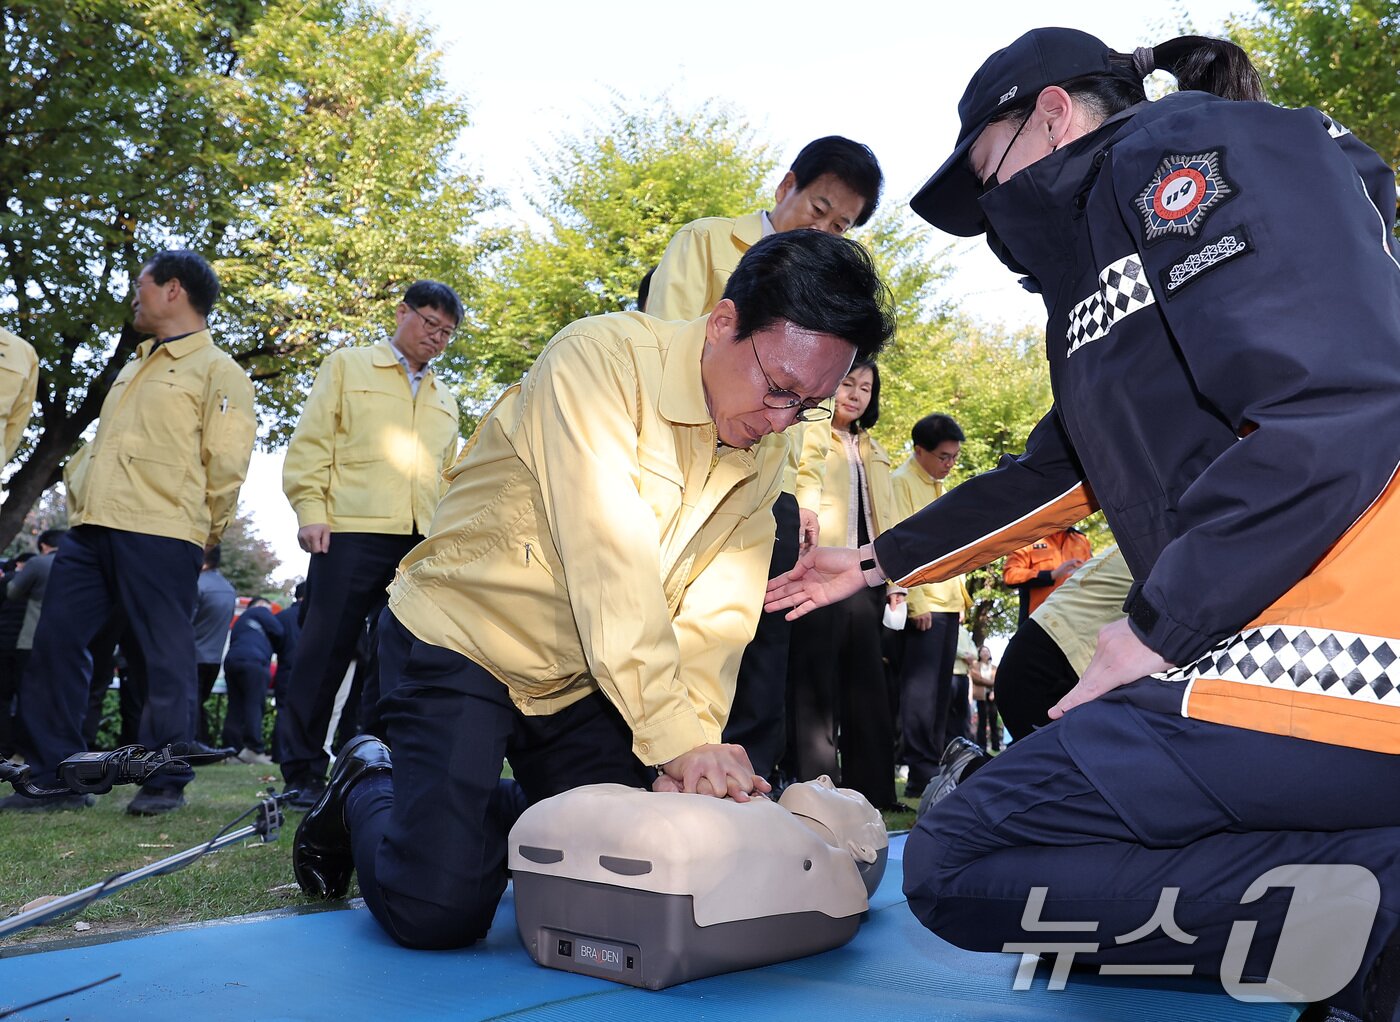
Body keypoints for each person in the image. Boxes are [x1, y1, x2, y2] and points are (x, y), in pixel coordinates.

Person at [765, 28, 1400, 1018]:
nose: (994, 222)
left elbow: (1338, 403)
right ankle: (1352, 919)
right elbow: (1056, 472)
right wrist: (873, 559)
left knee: (957, 858)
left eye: (990, 174)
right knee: (1046, 880)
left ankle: (1374, 922)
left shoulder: (1185, 155)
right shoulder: (1100, 283)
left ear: (1053, 112)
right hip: (1250, 647)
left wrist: (1155, 628)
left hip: (1324, 651)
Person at [292, 229, 895, 953]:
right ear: (723, 322)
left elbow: (720, 607)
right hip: (464, 640)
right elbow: (611, 563)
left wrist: (695, 746)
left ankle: (471, 804)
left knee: (634, 857)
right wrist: (675, 741)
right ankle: (367, 780)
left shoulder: (771, 439)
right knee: (439, 912)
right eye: (778, 388)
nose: (780, 419)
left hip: (586, 677)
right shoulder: (598, 361)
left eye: (808, 406)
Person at [646, 135, 884, 781]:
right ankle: (667, 757)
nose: (828, 230)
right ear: (786, 187)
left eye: (843, 226)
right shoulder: (705, 242)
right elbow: (666, 342)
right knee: (670, 606)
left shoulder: (831, 299)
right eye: (819, 209)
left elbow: (809, 408)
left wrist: (804, 493)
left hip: (765, 475)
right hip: (685, 461)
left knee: (760, 625)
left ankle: (747, 773)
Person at [2, 249, 256, 814]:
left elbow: (228, 462)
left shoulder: (220, 371)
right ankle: (56, 780)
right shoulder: (133, 365)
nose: (133, 295)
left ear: (172, 290)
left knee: (163, 658)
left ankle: (163, 780)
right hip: (91, 529)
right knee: (55, 646)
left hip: (164, 533)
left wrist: (203, 532)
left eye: (139, 284)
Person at [277, 280, 463, 808]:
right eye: (430, 324)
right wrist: (310, 512)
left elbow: (447, 475)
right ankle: (301, 769)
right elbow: (312, 440)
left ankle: (364, 759)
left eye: (447, 333)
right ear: (402, 313)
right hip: (347, 529)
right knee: (323, 651)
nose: (437, 339)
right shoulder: (347, 366)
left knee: (393, 659)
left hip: (416, 544)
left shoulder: (444, 397)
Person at [785, 360, 901, 809]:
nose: (855, 394)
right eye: (848, 383)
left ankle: (874, 792)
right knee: (814, 685)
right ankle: (816, 788)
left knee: (868, 684)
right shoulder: (807, 432)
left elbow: (889, 517)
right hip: (817, 571)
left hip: (867, 575)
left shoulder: (874, 448)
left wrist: (896, 580)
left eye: (866, 388)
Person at [887, 413, 970, 800]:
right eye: (943, 457)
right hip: (925, 605)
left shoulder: (940, 485)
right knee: (919, 695)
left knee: (940, 695)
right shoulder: (901, 483)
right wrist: (913, 599)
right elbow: (900, 545)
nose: (949, 464)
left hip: (949, 603)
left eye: (953, 457)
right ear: (919, 450)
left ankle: (935, 769)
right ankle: (919, 772)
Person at [221, 597, 285, 762]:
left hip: (232, 661)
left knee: (235, 706)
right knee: (254, 704)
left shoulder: (240, 623)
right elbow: (279, 631)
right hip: (254, 663)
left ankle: (231, 750)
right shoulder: (260, 610)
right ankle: (253, 749)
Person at [191, 543, 236, 746]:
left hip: (193, 655)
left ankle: (195, 742)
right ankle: (203, 741)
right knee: (198, 703)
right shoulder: (228, 588)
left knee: (190, 704)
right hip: (214, 657)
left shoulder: (198, 584)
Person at [1002, 526, 1091, 622]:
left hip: (1078, 619)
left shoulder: (1080, 540)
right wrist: (1052, 574)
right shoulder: (1028, 539)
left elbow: (1093, 576)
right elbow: (1010, 575)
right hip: (1041, 622)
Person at [0, 552, 35, 758]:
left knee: (3, 699)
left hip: (3, 645)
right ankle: (25, 745)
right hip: (26, 647)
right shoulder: (40, 582)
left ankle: (4, 746)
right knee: (27, 698)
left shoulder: (7, 582)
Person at [970, 645, 999, 752]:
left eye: (987, 651)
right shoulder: (975, 666)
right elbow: (977, 679)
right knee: (982, 721)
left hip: (992, 696)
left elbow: (998, 680)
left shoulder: (994, 667)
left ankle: (996, 746)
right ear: (979, 654)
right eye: (983, 651)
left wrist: (993, 691)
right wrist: (991, 683)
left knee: (993, 720)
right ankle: (982, 746)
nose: (985, 653)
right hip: (981, 696)